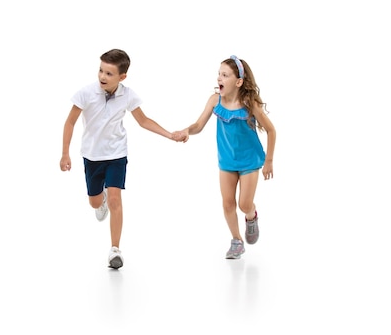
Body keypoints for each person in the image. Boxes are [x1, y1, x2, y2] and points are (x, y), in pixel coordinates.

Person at [60, 49, 176, 269]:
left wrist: (169, 134)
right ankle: (99, 199)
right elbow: (70, 123)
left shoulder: (128, 95)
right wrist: (65, 153)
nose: (103, 76)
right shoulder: (85, 93)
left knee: (116, 199)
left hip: (116, 154)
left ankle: (115, 250)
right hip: (92, 156)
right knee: (95, 202)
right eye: (101, 70)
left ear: (122, 77)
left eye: (109, 73)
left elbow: (144, 121)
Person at [172, 55, 276, 259]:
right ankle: (237, 240)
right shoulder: (214, 100)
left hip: (249, 160)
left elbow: (272, 130)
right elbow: (198, 125)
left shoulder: (249, 103)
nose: (219, 78)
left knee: (244, 204)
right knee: (227, 203)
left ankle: (251, 216)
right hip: (227, 161)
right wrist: (187, 130)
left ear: (238, 82)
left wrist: (269, 161)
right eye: (219, 74)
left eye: (225, 75)